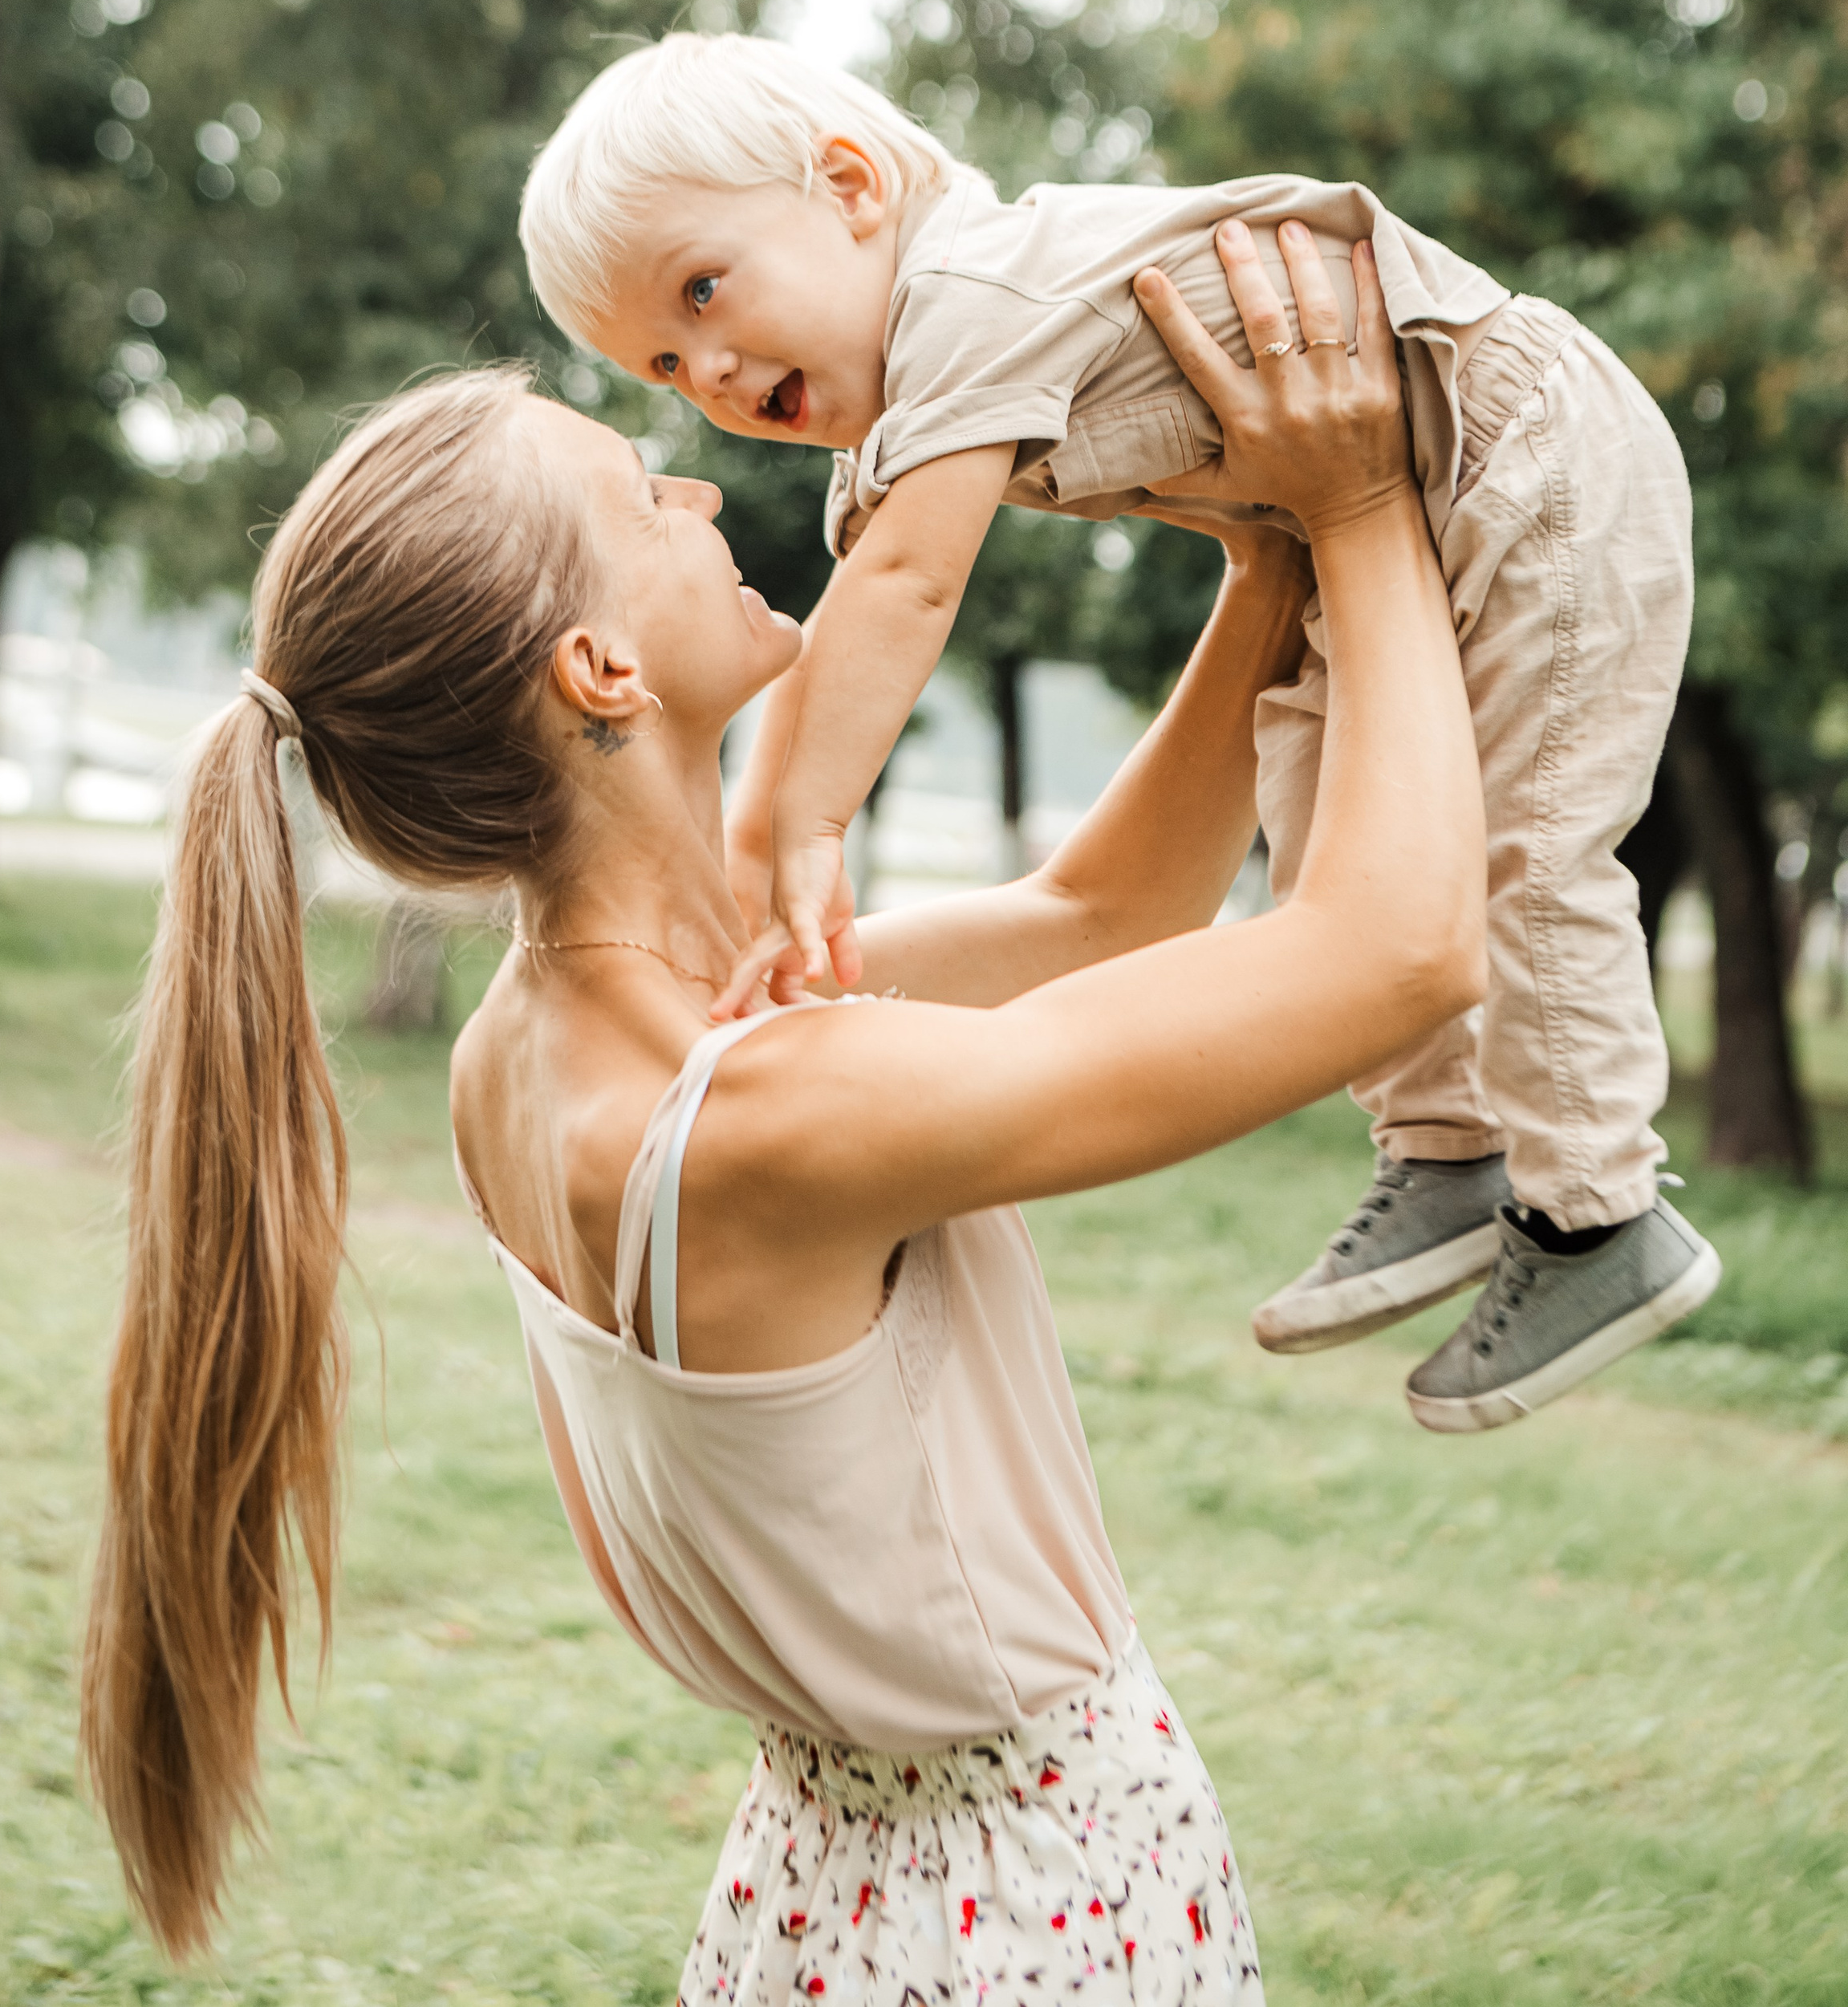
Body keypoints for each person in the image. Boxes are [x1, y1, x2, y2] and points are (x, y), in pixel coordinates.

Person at [83, 229, 1480, 1995]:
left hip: (840, 1883)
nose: (689, 486)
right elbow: (1401, 947)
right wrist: (1363, 517)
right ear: (599, 672)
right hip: (1024, 1906)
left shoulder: (550, 1041)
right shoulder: (756, 1116)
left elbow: (1096, 924)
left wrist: (1264, 558)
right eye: (634, 498)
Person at [517, 31, 1720, 1435]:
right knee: (1319, 807)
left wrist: (814, 832)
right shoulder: (903, 414)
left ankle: (1598, 1211)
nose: (707, 376)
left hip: (1520, 448)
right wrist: (766, 862)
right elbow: (850, 620)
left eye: (704, 293)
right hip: (1380, 504)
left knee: (1521, 844)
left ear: (850, 189)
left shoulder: (963, 303)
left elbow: (907, 591)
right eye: (664, 361)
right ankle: (1449, 1151)